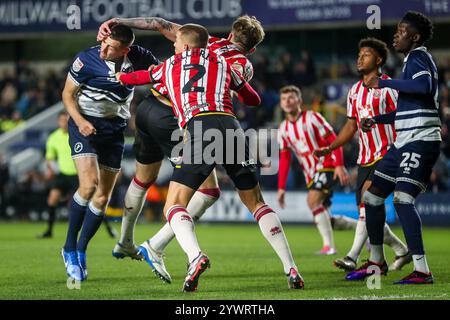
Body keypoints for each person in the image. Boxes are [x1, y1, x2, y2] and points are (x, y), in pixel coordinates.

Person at [117, 23, 304, 291]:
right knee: (257, 203)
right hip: (231, 127)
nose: (174, 46)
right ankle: (291, 268)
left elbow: (137, 77)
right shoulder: (225, 63)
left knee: (174, 206)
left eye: (177, 43)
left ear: (185, 45)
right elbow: (253, 100)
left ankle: (195, 257)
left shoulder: (170, 65)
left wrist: (118, 78)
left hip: (200, 128)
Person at [97, 15, 264, 283]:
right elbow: (230, 95)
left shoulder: (201, 41)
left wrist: (120, 20)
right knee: (208, 191)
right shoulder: (240, 63)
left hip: (148, 106)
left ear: (230, 35)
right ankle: (158, 246)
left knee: (143, 178)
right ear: (252, 49)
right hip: (174, 119)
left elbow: (158, 23)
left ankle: (125, 241)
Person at [346, 11, 440, 284]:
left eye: (402, 30)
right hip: (402, 141)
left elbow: (424, 86)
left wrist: (386, 83)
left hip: (420, 140)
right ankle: (376, 260)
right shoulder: (410, 61)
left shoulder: (420, 56)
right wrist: (377, 119)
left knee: (402, 199)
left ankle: (422, 269)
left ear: (416, 37)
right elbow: (406, 108)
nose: (396, 34)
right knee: (372, 198)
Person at [61, 24, 160, 282]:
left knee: (103, 197)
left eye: (111, 47)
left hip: (114, 131)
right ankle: (69, 248)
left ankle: (81, 251)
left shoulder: (140, 57)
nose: (104, 49)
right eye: (104, 43)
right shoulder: (86, 59)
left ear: (125, 49)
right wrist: (79, 121)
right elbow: (68, 94)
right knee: (89, 185)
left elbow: (161, 77)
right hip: (85, 125)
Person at [314, 38, 411, 273]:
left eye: (365, 54)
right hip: (365, 158)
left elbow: (404, 115)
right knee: (368, 213)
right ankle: (397, 253)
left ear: (378, 60)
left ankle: (352, 256)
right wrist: (330, 148)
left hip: (388, 153)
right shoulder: (354, 91)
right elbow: (350, 127)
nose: (359, 58)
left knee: (368, 202)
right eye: (359, 54)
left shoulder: (389, 86)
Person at [277, 85, 349, 255]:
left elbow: (334, 140)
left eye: (291, 98)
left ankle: (329, 247)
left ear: (299, 101)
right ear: (281, 104)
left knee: (312, 201)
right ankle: (368, 230)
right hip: (311, 173)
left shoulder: (313, 117)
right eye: (284, 99)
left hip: (328, 164)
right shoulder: (283, 129)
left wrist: (339, 164)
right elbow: (285, 159)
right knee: (327, 219)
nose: (287, 101)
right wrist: (281, 187)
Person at [38, 111, 118, 239]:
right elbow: (50, 157)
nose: (64, 123)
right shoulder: (53, 138)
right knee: (52, 198)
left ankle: (109, 229)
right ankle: (49, 230)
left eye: (66, 120)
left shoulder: (77, 133)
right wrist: (51, 169)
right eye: (62, 121)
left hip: (80, 173)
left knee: (95, 201)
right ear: (58, 122)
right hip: (63, 174)